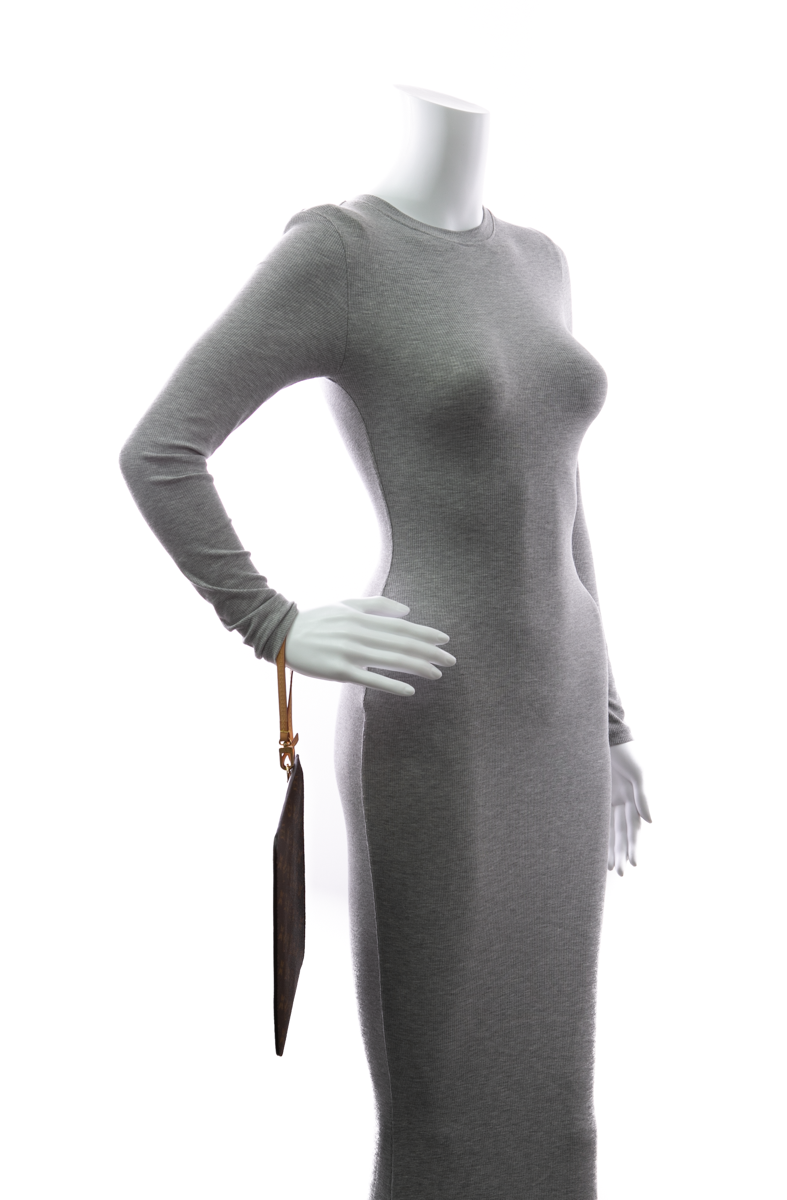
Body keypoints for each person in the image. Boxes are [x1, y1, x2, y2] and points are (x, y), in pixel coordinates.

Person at [120, 82, 652, 1199]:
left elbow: (563, 494)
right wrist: (271, 622)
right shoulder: (340, 253)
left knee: (556, 1100)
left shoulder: (542, 258)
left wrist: (609, 722)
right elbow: (160, 451)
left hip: (560, 709)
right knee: (444, 1100)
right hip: (438, 705)